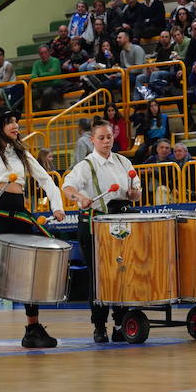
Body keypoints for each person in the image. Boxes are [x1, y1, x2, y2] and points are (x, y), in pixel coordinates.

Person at [0, 107, 66, 353]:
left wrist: (57, 206)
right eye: (10, 122)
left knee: (30, 271)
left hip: (18, 214)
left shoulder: (22, 154)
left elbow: (47, 180)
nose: (15, 125)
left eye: (16, 122)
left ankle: (32, 329)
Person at [62, 116, 143, 344]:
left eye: (109, 137)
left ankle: (120, 323)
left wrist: (134, 194)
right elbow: (67, 187)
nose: (106, 141)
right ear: (92, 139)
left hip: (120, 221)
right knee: (99, 276)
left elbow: (136, 189)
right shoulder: (86, 165)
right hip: (94, 224)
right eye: (101, 138)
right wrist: (80, 197)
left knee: (122, 273)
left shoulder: (122, 162)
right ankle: (99, 325)